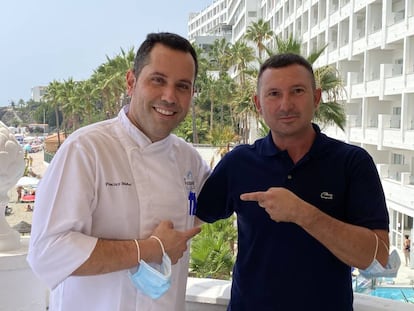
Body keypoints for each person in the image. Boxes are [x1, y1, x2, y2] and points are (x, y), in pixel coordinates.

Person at [27, 32, 210, 311]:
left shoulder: (190, 160)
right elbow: (48, 252)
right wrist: (152, 248)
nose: (170, 96)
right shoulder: (86, 149)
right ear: (131, 82)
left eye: (183, 86)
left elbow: (227, 196)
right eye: (158, 80)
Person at [196, 53, 390, 310]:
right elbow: (192, 215)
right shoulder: (239, 163)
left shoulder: (351, 163)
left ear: (316, 97)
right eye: (273, 94)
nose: (285, 104)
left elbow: (377, 257)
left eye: (297, 91)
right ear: (258, 103)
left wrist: (303, 213)